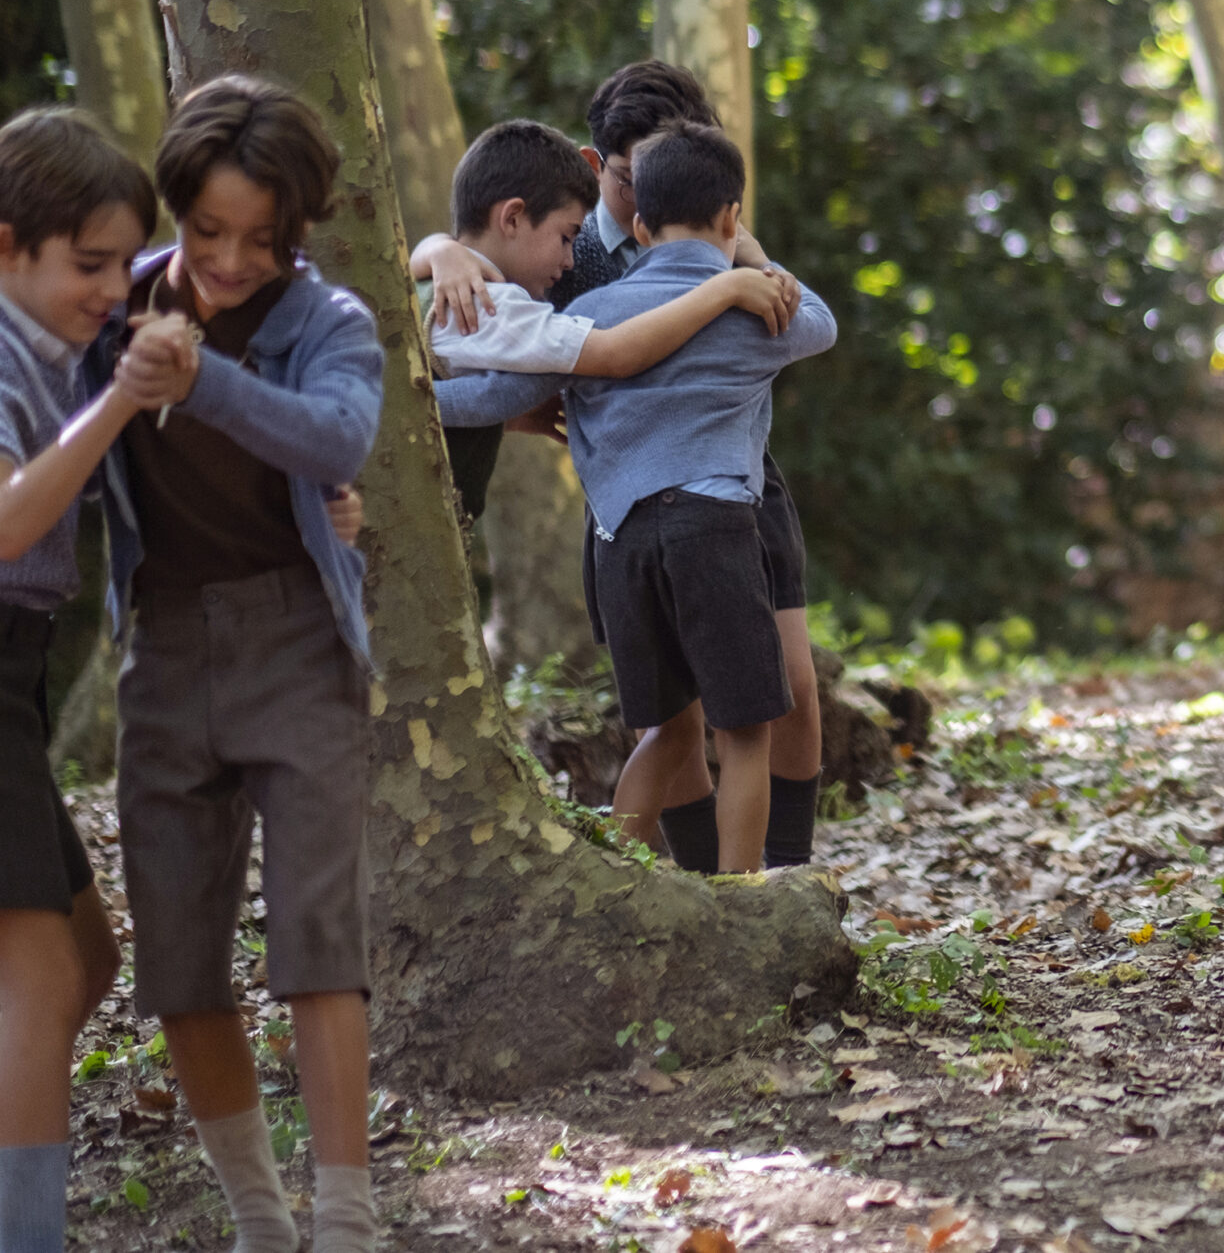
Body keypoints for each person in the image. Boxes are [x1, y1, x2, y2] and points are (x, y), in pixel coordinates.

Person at [419, 62, 828, 870]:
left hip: (694, 498)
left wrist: (414, 399)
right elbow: (810, 321)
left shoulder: (600, 283)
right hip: (657, 505)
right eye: (626, 179)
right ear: (593, 162)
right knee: (711, 725)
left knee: (776, 693)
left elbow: (510, 380)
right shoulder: (566, 256)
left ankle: (755, 874)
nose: (638, 202)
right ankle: (721, 888)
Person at [107, 78, 386, 1253]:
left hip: (297, 641)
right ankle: (260, 1220)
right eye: (205, 231)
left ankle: (347, 1218)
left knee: (318, 940)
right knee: (177, 954)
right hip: (163, 644)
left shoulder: (330, 321)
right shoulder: (104, 302)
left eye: (257, 241)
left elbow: (336, 436)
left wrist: (203, 379)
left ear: (298, 232)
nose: (225, 261)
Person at [0, 110, 160, 1253]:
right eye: (86, 266)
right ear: (8, 249)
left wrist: (437, 251)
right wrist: (117, 408)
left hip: (19, 677)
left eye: (120, 262)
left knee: (86, 957)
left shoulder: (50, 342)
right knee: (46, 973)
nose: (111, 289)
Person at [419, 119, 794, 522]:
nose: (570, 261)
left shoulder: (433, 283)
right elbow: (616, 353)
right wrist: (727, 289)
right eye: (567, 237)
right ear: (512, 218)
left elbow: (446, 401)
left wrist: (506, 420)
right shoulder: (489, 306)